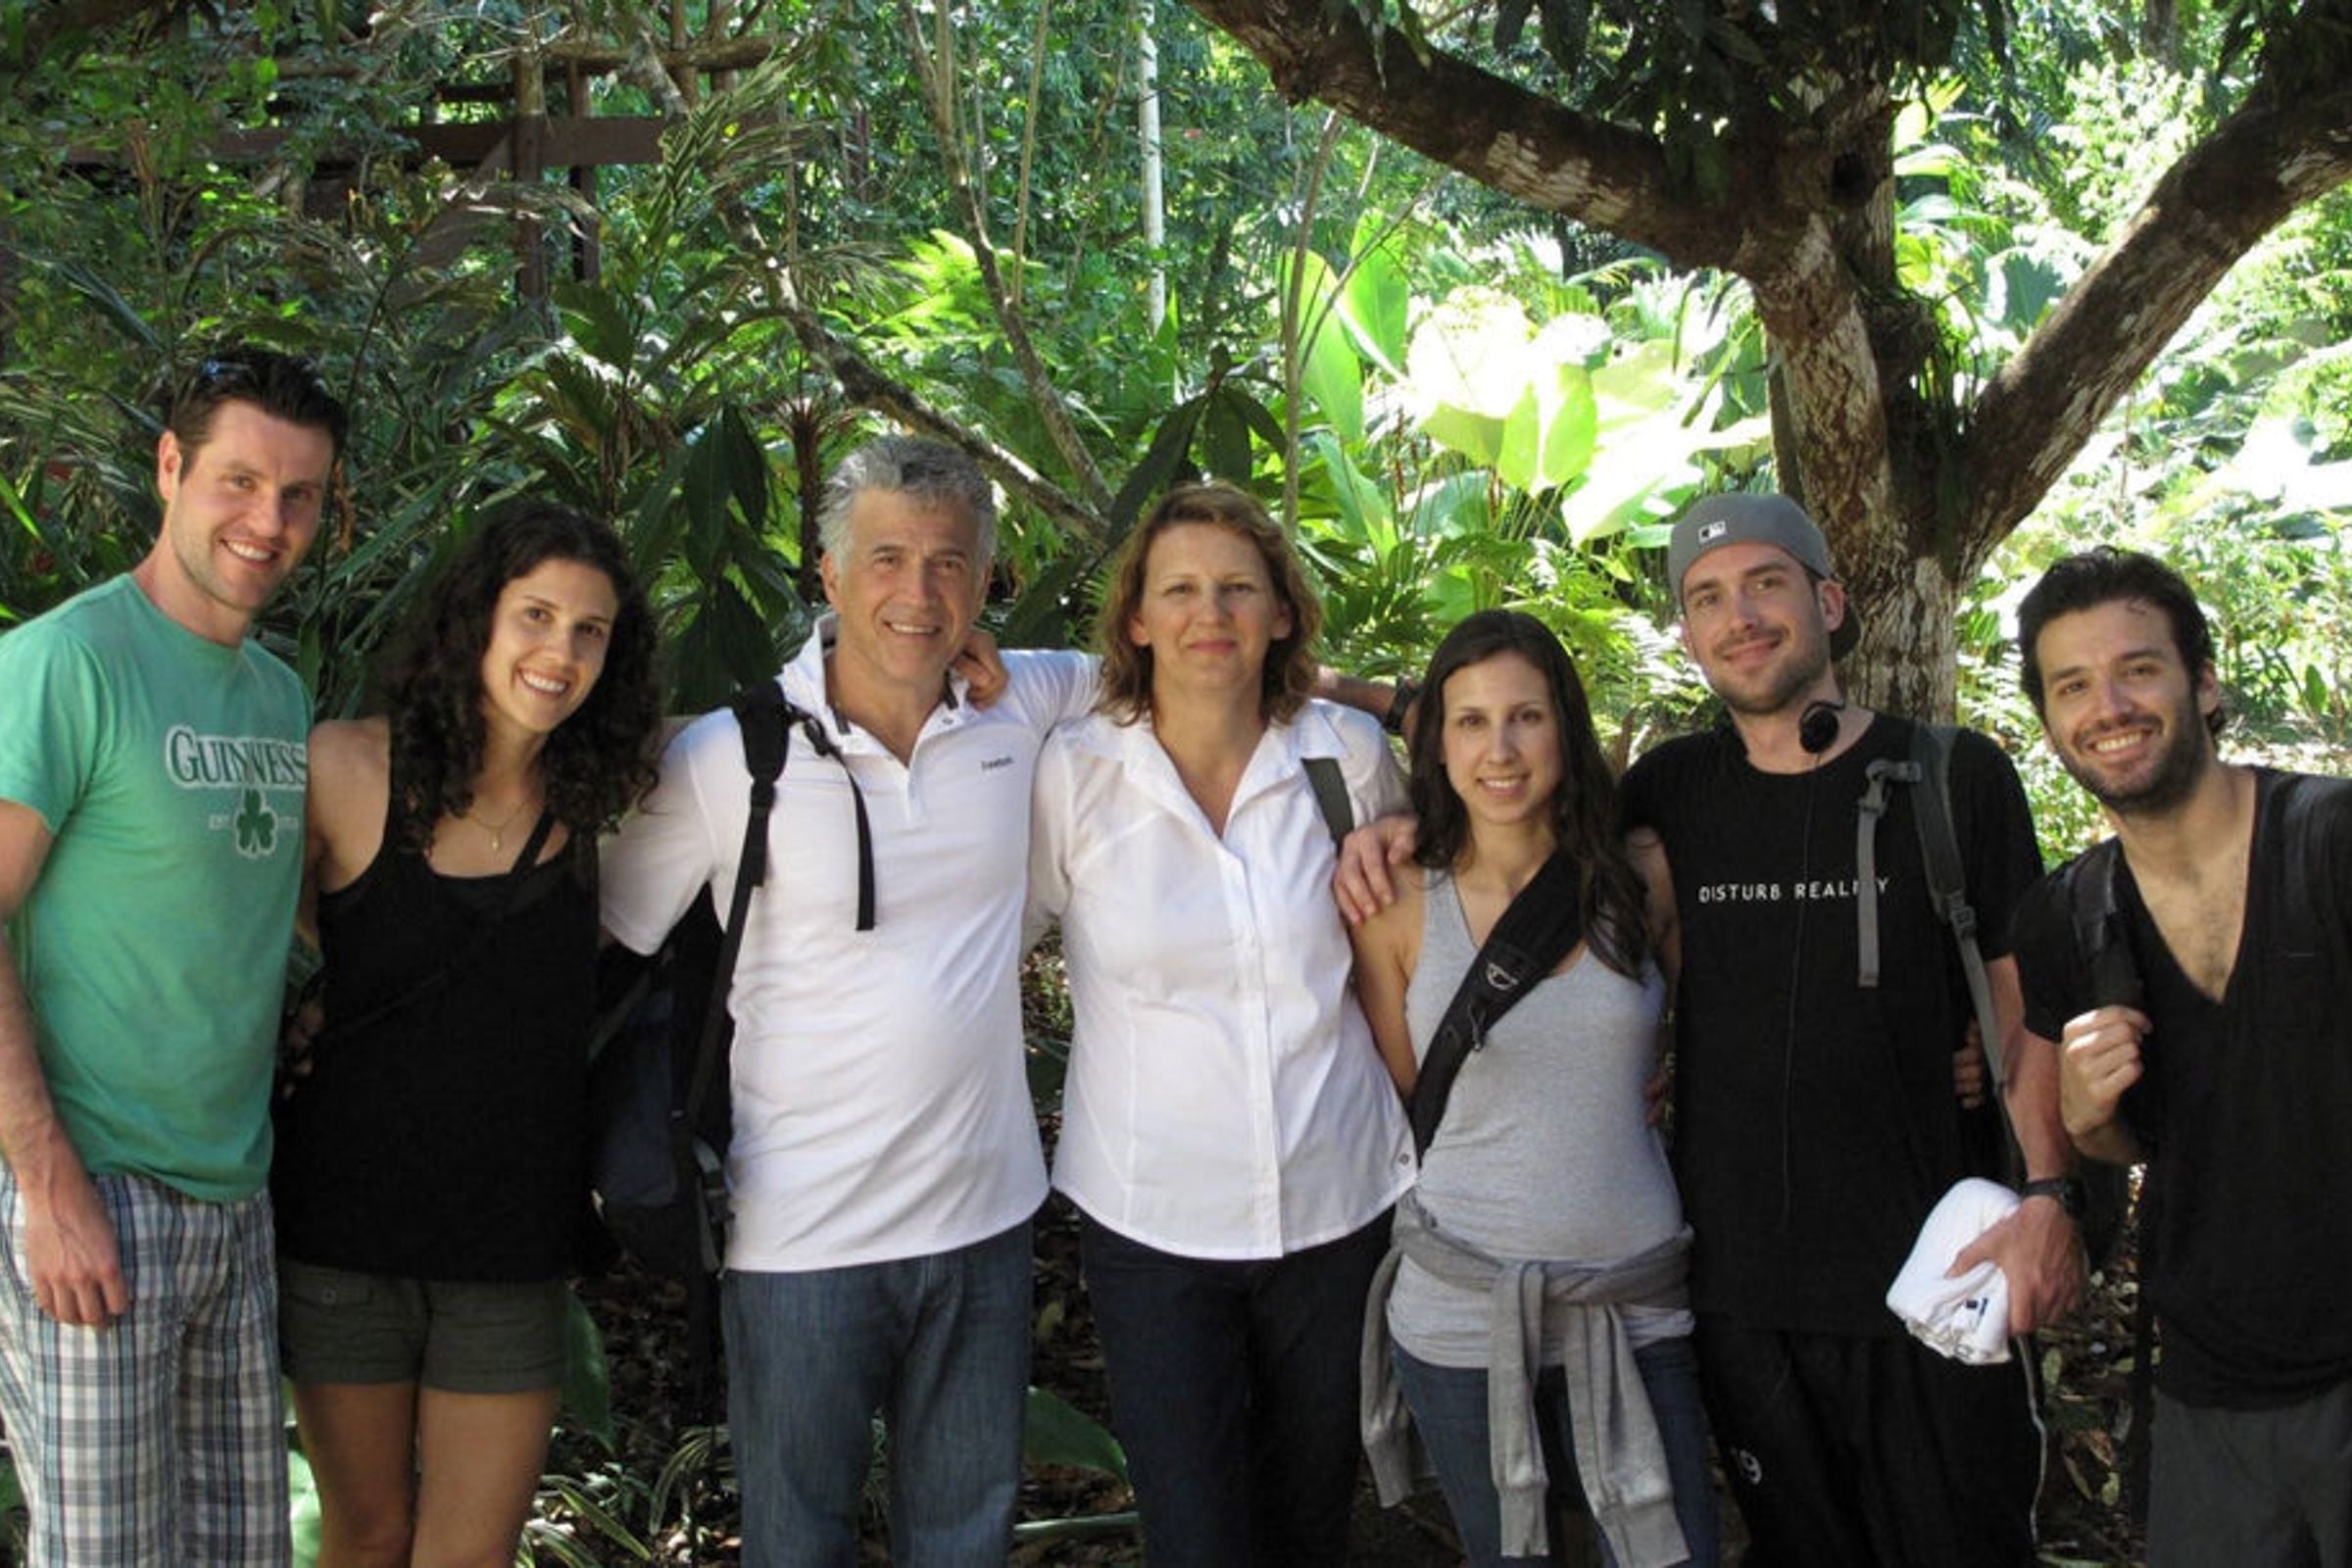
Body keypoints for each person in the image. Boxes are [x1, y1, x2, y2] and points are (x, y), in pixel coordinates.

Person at [598, 436, 1099, 1566]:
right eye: (886, 558)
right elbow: (601, 939)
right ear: (827, 573)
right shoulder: (732, 758)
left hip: (985, 1223)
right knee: (796, 1542)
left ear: (984, 583)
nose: (916, 593)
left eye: (948, 563)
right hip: (798, 1239)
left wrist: (1385, 700)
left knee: (965, 1542)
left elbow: (1193, 664)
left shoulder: (1023, 709)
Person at [1605, 493, 2082, 1566]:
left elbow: (2025, 1013)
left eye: (1767, 583)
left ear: (1827, 599)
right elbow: (1509, 809)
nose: (1742, 616)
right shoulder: (1668, 791)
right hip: (1741, 1296)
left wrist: (2051, 1195)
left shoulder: (1953, 777)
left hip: (1939, 1279)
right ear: (1689, 634)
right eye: (1709, 598)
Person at [1023, 482, 1411, 1567]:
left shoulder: (1345, 757)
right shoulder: (1077, 774)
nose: (1212, 614)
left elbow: (1436, 926)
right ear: (1136, 618)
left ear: (1282, 612)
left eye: (1240, 588)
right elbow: (979, 944)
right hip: (1153, 1224)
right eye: (1181, 589)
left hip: (1339, 1206)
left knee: (1310, 1518)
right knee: (1197, 1535)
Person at [0, 349, 345, 1564]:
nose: (268, 521)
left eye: (299, 495)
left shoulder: (277, 695)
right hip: (97, 1193)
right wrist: (46, 1185)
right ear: (169, 468)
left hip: (235, 1202)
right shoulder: (67, 662)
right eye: (239, 481)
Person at [270, 502, 661, 1566]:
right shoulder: (344, 769)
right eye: (536, 614)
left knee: (468, 1552)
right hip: (342, 1230)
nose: (560, 651)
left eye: (591, 630)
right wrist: (307, 1012)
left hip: (509, 1241)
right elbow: (254, 931)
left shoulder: (611, 795)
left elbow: (797, 728)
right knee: (368, 1535)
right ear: (474, 619)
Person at [1348, 610, 1719, 1568]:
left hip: (1633, 1300)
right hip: (1463, 1307)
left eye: (1526, 716)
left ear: (1567, 725)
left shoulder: (1639, 878)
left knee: (1673, 1550)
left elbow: (1723, 1029)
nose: (1500, 749)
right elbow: (1406, 1095)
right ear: (1437, 742)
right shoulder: (1392, 897)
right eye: (1470, 722)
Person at [2009, 546, 2352, 1568]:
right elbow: (2126, 1139)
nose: (2108, 704)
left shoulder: (2329, 841)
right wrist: (2084, 1114)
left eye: (2139, 669)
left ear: (2203, 682)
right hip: (2208, 1387)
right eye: (2073, 684)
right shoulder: (2067, 916)